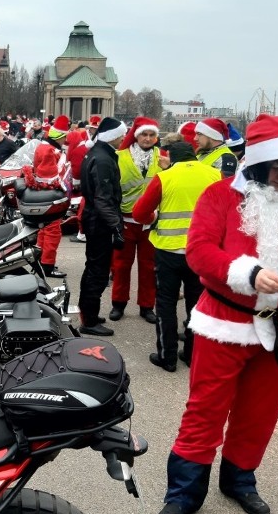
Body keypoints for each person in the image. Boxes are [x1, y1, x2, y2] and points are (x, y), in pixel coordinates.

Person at [156, 115, 278, 514]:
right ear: (257, 162)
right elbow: (199, 251)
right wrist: (248, 272)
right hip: (226, 321)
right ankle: (184, 493)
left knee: (259, 412)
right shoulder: (220, 196)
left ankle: (239, 479)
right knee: (205, 411)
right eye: (277, 166)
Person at [132, 142, 221, 371]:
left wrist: (154, 219)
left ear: (171, 158)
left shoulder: (165, 177)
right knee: (197, 305)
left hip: (169, 251)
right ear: (194, 156)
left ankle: (167, 357)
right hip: (201, 253)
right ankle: (192, 355)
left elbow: (140, 212)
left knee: (166, 304)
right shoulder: (214, 175)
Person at [77, 117, 127, 337]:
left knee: (93, 268)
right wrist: (116, 225)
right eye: (122, 135)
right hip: (99, 221)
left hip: (95, 217)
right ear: (113, 136)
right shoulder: (103, 158)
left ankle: (89, 314)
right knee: (97, 271)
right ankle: (88, 320)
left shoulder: (97, 152)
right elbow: (103, 198)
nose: (124, 138)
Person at [110, 117, 162, 323]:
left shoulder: (163, 157)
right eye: (144, 134)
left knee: (149, 266)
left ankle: (147, 306)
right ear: (136, 136)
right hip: (125, 219)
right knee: (121, 265)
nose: (148, 139)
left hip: (151, 222)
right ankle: (118, 304)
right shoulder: (119, 156)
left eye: (151, 135)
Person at [27, 115, 71, 279]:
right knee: (52, 232)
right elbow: (48, 178)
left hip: (42, 195)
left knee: (44, 231)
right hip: (49, 196)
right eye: (64, 137)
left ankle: (41, 261)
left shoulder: (44, 147)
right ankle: (47, 265)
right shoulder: (49, 151)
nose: (65, 140)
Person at [68, 116, 100, 243]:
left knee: (84, 207)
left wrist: (76, 182)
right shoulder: (86, 143)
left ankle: (83, 233)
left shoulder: (79, 149)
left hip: (87, 182)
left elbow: (76, 167)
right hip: (91, 181)